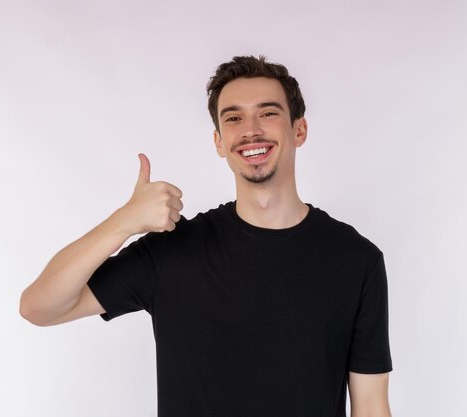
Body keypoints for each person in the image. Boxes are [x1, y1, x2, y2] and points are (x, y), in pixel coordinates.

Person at [20, 55, 393, 417]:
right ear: (219, 141)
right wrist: (122, 223)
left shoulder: (356, 260)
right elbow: (39, 307)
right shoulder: (172, 251)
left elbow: (371, 405)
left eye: (268, 112)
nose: (251, 130)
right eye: (234, 118)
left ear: (299, 130)